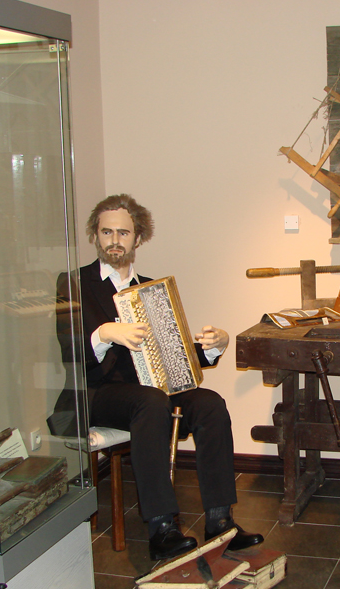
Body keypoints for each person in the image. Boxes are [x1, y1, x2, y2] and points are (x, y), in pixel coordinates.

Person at [53, 193, 263, 561]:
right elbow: (69, 349)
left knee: (210, 403)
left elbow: (173, 355)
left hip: (150, 391)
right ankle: (162, 528)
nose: (114, 240)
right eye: (106, 232)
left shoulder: (150, 288)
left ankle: (220, 522)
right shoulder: (74, 283)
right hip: (97, 391)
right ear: (95, 236)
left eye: (123, 233)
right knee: (150, 401)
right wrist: (105, 334)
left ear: (138, 238)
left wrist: (214, 346)